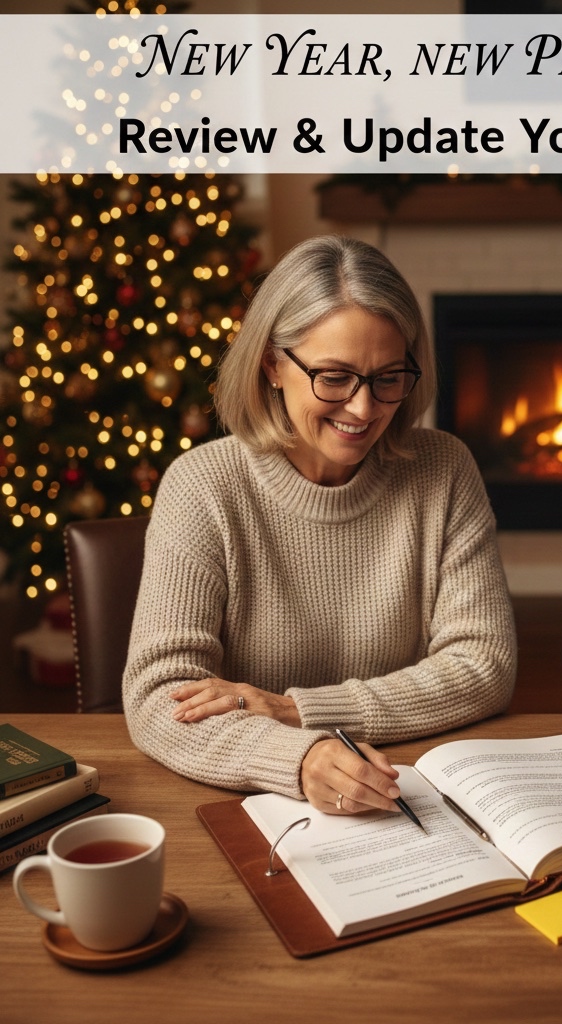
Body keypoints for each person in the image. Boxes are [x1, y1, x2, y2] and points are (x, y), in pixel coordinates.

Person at [123, 235, 516, 816]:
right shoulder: (203, 485)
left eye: (389, 377)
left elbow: (484, 665)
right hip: (254, 804)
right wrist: (298, 757)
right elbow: (159, 696)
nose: (364, 409)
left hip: (408, 787)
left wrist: (298, 711)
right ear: (272, 364)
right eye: (334, 377)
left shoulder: (444, 468)